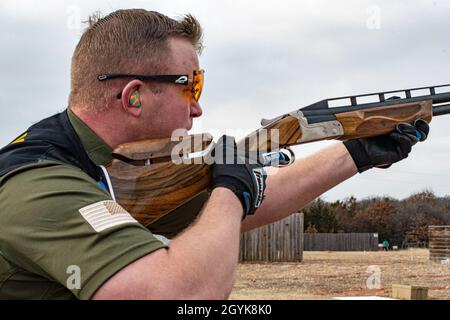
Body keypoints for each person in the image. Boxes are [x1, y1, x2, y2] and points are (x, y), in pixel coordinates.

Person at [0, 9, 429, 300]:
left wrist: (355, 153)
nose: (198, 106)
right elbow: (182, 293)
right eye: (191, 85)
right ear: (133, 97)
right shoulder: (39, 183)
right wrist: (230, 188)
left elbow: (242, 210)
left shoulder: (108, 166)